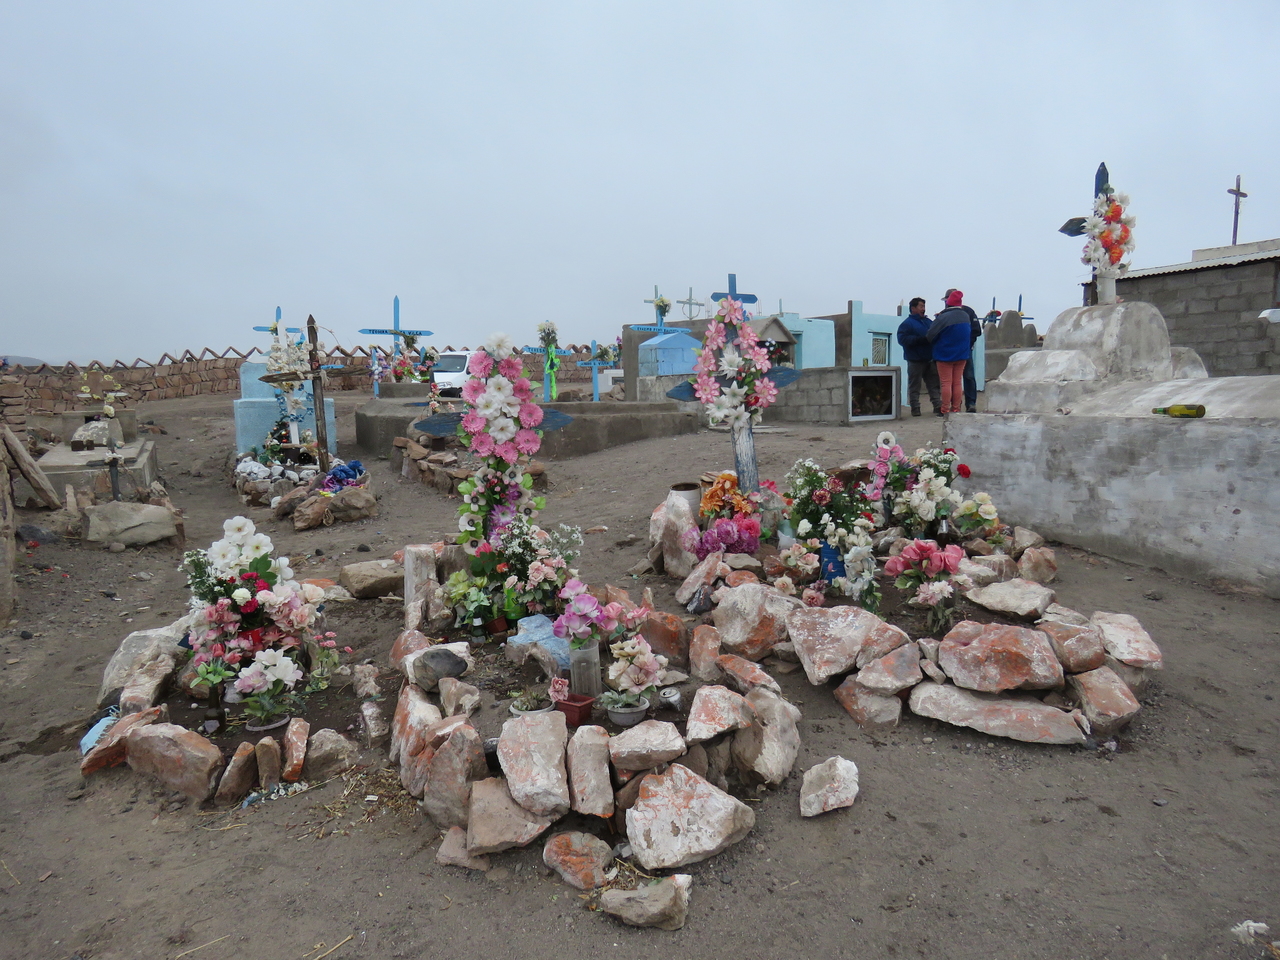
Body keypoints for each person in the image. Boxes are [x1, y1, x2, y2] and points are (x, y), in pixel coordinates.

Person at [926, 289, 972, 416]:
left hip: (944, 354)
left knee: (946, 383)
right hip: (962, 354)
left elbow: (930, 335)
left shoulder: (943, 317)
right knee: (957, 382)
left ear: (948, 303)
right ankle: (956, 408)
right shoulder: (965, 316)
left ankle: (945, 409)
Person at [895, 297, 941, 417]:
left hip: (930, 359)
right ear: (913, 308)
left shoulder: (928, 322)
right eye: (921, 306)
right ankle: (915, 408)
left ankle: (937, 405)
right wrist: (920, 340)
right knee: (914, 385)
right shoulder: (906, 324)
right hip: (915, 359)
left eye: (924, 306)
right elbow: (902, 339)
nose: (923, 309)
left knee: (933, 384)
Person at [942, 288, 982, 413]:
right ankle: (955, 406)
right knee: (953, 381)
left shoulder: (968, 312)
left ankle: (970, 403)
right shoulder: (944, 314)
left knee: (967, 377)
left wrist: (967, 344)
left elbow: (976, 330)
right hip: (952, 352)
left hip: (963, 351)